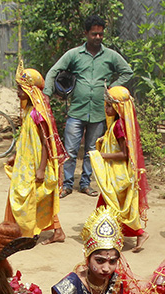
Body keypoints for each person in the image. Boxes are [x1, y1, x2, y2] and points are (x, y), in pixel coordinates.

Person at [44, 15, 133, 198]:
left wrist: (112, 90)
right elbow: (54, 71)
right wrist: (46, 93)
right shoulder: (74, 54)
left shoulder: (110, 56)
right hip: (77, 110)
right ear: (86, 33)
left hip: (99, 112)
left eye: (101, 34)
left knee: (92, 150)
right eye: (94, 34)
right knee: (70, 150)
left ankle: (86, 183)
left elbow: (127, 71)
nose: (98, 38)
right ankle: (67, 185)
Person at [4, 63, 67, 244]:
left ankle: (28, 231)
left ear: (30, 90)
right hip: (26, 162)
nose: (18, 92)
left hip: (36, 163)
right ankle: (42, 230)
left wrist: (41, 168)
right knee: (31, 196)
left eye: (20, 89)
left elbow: (46, 142)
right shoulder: (27, 111)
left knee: (33, 196)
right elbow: (26, 139)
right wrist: (16, 156)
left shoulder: (38, 114)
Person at [89, 86, 149, 251]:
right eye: (106, 105)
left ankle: (137, 233)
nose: (106, 108)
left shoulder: (119, 126)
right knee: (108, 204)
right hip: (113, 173)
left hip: (119, 173)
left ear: (118, 107)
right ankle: (108, 234)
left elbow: (124, 153)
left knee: (114, 206)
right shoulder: (116, 124)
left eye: (109, 105)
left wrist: (102, 155)